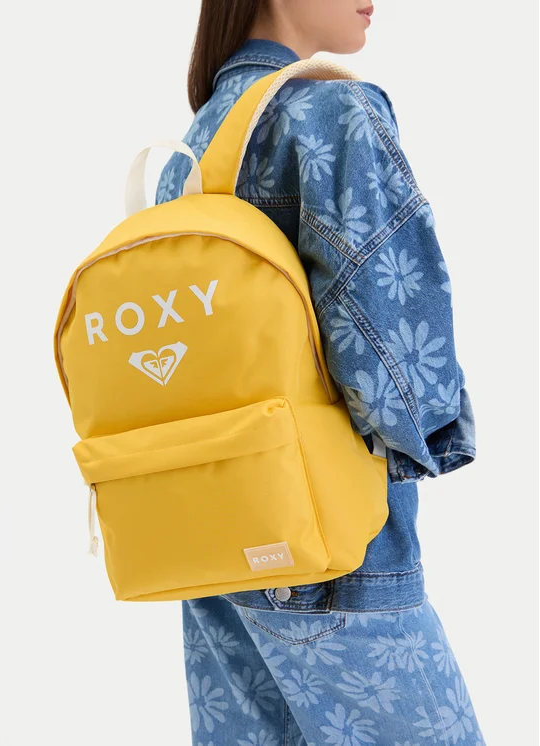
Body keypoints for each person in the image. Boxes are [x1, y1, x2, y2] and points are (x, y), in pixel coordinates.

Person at [156, 1, 484, 743]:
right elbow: (394, 349)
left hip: (211, 545)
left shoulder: (198, 139)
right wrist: (434, 433)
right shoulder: (333, 113)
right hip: (333, 554)